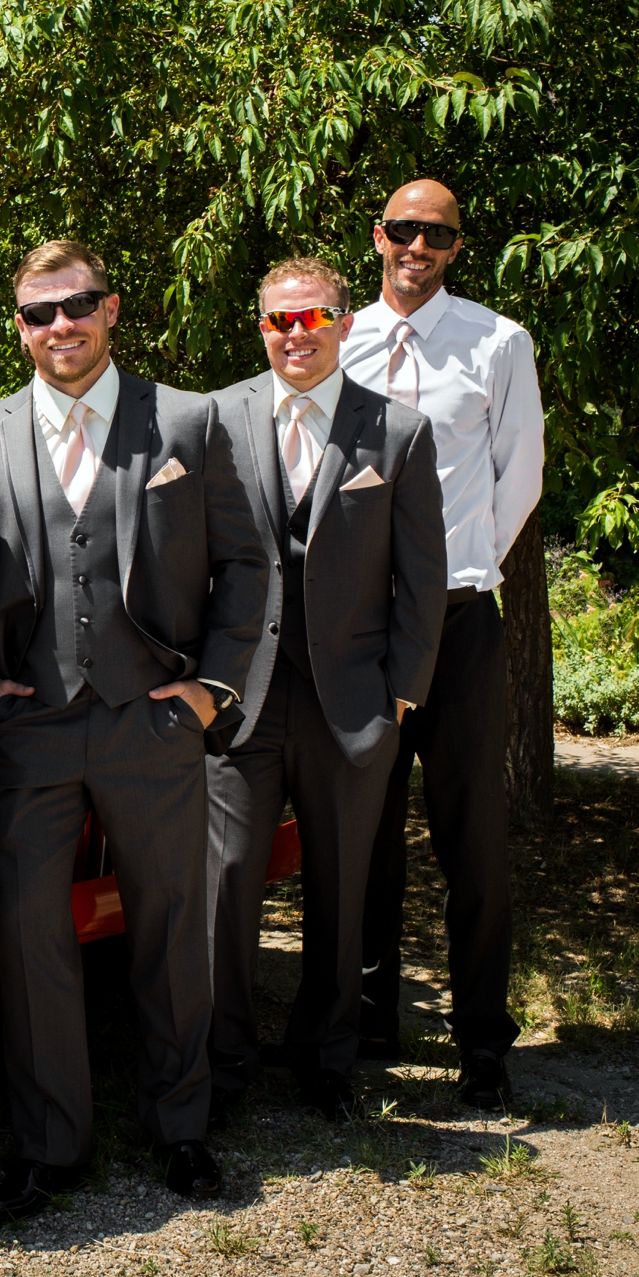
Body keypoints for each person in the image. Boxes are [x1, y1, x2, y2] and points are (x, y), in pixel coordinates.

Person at [0, 241, 268, 1222]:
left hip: (150, 720)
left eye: (77, 304)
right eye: (40, 311)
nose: (61, 325)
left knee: (174, 931)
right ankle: (51, 1146)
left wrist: (212, 688)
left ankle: (182, 1128)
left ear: (111, 308)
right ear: (19, 325)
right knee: (33, 938)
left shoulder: (185, 419)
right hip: (29, 729)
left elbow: (247, 564)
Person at [204, 257, 447, 1124]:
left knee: (341, 890)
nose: (295, 334)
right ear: (260, 325)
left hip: (354, 703)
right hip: (242, 699)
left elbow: (423, 578)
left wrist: (401, 696)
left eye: (313, 318)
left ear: (345, 323)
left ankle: (327, 1062)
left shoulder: (400, 432)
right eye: (279, 320)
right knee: (226, 884)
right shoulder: (214, 421)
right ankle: (223, 1064)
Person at [340, 179, 544, 1109]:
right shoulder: (336, 340)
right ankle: (371, 1015)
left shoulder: (498, 343)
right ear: (378, 237)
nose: (417, 245)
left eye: (438, 234)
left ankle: (483, 1040)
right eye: (403, 229)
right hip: (361, 625)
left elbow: (519, 475)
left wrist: (455, 569)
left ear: (457, 248)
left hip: (459, 620)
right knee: (364, 830)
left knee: (474, 838)